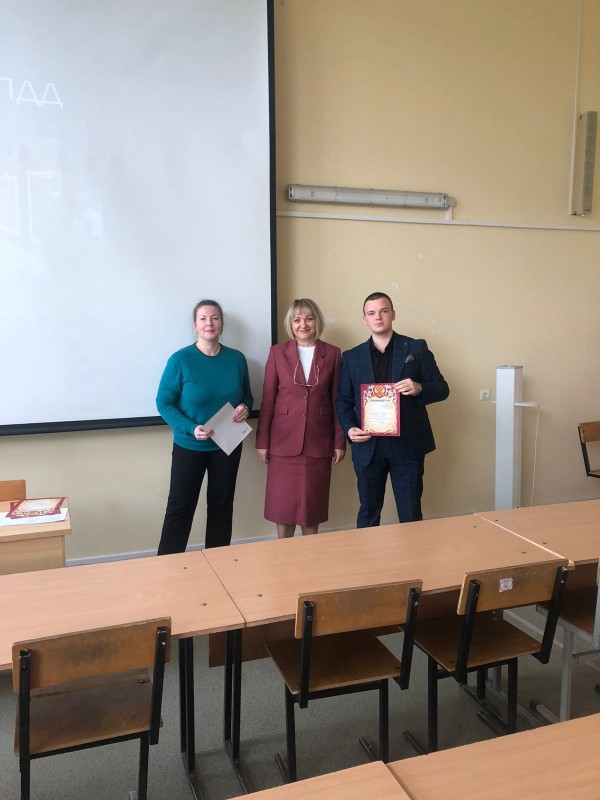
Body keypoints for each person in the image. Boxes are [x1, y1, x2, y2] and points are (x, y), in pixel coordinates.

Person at [336, 291, 449, 527]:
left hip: (407, 446)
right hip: (368, 446)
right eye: (371, 313)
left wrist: (418, 387)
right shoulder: (351, 357)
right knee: (368, 514)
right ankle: (367, 554)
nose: (378, 317)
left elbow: (442, 388)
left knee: (410, 514)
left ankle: (413, 553)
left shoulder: (416, 348)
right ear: (365, 319)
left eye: (383, 311)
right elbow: (343, 400)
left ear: (393, 314)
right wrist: (349, 429)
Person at [156, 299, 253, 553]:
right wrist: (191, 428)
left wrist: (245, 407)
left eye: (215, 318)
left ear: (222, 324)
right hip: (189, 445)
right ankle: (168, 564)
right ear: (195, 325)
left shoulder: (237, 359)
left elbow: (247, 397)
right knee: (180, 507)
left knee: (222, 505)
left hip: (228, 445)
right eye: (203, 318)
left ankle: (218, 563)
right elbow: (164, 403)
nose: (209, 323)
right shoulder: (180, 360)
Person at [256, 298, 346, 538]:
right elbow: (268, 399)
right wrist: (262, 441)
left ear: (317, 322)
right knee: (282, 508)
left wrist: (339, 441)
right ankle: (284, 552)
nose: (303, 324)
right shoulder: (277, 353)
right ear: (290, 324)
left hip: (318, 440)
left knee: (312, 507)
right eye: (297, 320)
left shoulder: (333, 354)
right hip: (283, 441)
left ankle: (310, 554)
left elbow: (337, 400)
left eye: (309, 318)